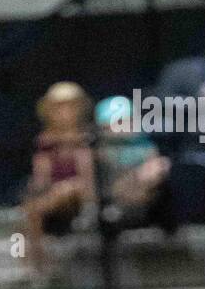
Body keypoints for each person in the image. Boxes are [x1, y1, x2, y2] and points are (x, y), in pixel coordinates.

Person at [23, 82, 95, 274]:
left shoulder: (86, 138)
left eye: (70, 106)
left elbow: (88, 180)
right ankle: (36, 268)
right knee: (31, 211)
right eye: (59, 106)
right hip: (56, 198)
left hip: (81, 195)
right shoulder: (45, 142)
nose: (65, 112)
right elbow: (41, 179)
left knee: (69, 189)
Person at [94, 95, 170, 225]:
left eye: (127, 121)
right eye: (117, 123)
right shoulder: (100, 150)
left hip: (147, 201)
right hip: (114, 202)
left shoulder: (146, 146)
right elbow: (110, 187)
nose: (123, 127)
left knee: (160, 165)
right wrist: (137, 176)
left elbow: (155, 171)